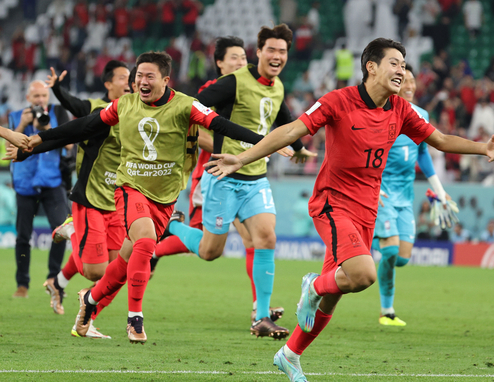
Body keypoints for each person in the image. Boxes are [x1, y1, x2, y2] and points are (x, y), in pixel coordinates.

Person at [204, 38, 494, 381]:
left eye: (404, 65)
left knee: (340, 290)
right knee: (363, 275)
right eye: (394, 63)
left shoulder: (400, 109)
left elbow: (439, 140)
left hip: (366, 211)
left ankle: (290, 354)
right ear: (371, 67)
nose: (401, 70)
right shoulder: (338, 101)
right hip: (333, 203)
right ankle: (313, 286)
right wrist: (242, 157)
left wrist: (482, 148)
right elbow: (290, 129)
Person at [26, 51, 272, 344]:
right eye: (138, 75)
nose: (141, 81)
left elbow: (221, 125)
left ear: (166, 80)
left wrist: (265, 142)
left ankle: (90, 299)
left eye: (149, 76)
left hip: (165, 197)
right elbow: (82, 126)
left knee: (124, 262)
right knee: (144, 242)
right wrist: (37, 142)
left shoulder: (185, 105)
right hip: (129, 188)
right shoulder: (123, 105)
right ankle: (135, 319)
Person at [159, 25, 316, 340]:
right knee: (209, 251)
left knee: (266, 238)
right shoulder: (232, 82)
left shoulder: (277, 87)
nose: (276, 56)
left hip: (256, 179)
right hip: (224, 178)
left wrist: (299, 149)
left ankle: (261, 317)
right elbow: (191, 105)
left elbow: (285, 120)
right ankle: (172, 226)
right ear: (258, 52)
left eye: (282, 51)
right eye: (270, 50)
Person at [9, 61, 132, 338]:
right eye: (123, 77)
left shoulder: (139, 116)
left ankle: (80, 312)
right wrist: (29, 146)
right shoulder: (99, 111)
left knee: (116, 272)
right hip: (89, 195)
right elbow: (67, 131)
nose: (130, 82)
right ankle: (69, 238)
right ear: (108, 83)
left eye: (131, 78)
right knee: (95, 272)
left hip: (118, 200)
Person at [372, 64, 454, 327]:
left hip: (405, 197)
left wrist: (439, 190)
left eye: (412, 82)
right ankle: (387, 311)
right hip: (381, 193)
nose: (408, 85)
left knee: (402, 258)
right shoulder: (381, 112)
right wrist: (371, 184)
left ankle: (371, 243)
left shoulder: (421, 114)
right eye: (403, 80)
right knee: (392, 250)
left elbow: (422, 153)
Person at [8, 80, 71, 298]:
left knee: (60, 231)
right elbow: (8, 149)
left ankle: (53, 278)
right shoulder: (16, 116)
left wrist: (47, 130)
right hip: (25, 185)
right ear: (28, 98)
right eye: (36, 97)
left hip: (52, 182)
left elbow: (70, 144)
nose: (40, 100)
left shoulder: (57, 113)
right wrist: (22, 125)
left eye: (44, 96)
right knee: (23, 236)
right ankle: (22, 284)